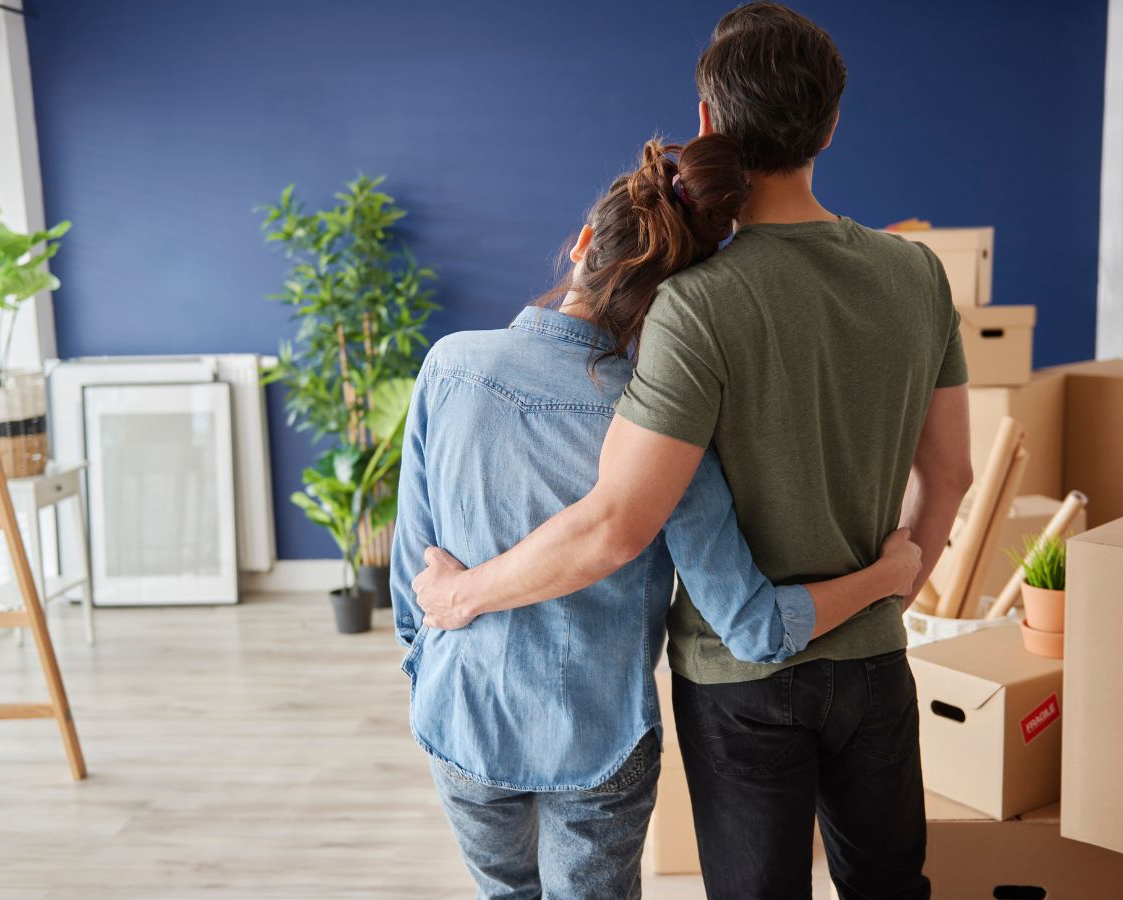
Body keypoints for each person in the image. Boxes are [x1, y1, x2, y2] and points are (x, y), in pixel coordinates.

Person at [410, 4, 973, 899]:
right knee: (892, 885)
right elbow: (951, 477)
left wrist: (456, 599)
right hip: (873, 661)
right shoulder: (918, 273)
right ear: (831, 123)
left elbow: (617, 523)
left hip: (739, 681)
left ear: (708, 122)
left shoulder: (694, 304)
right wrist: (892, 581)